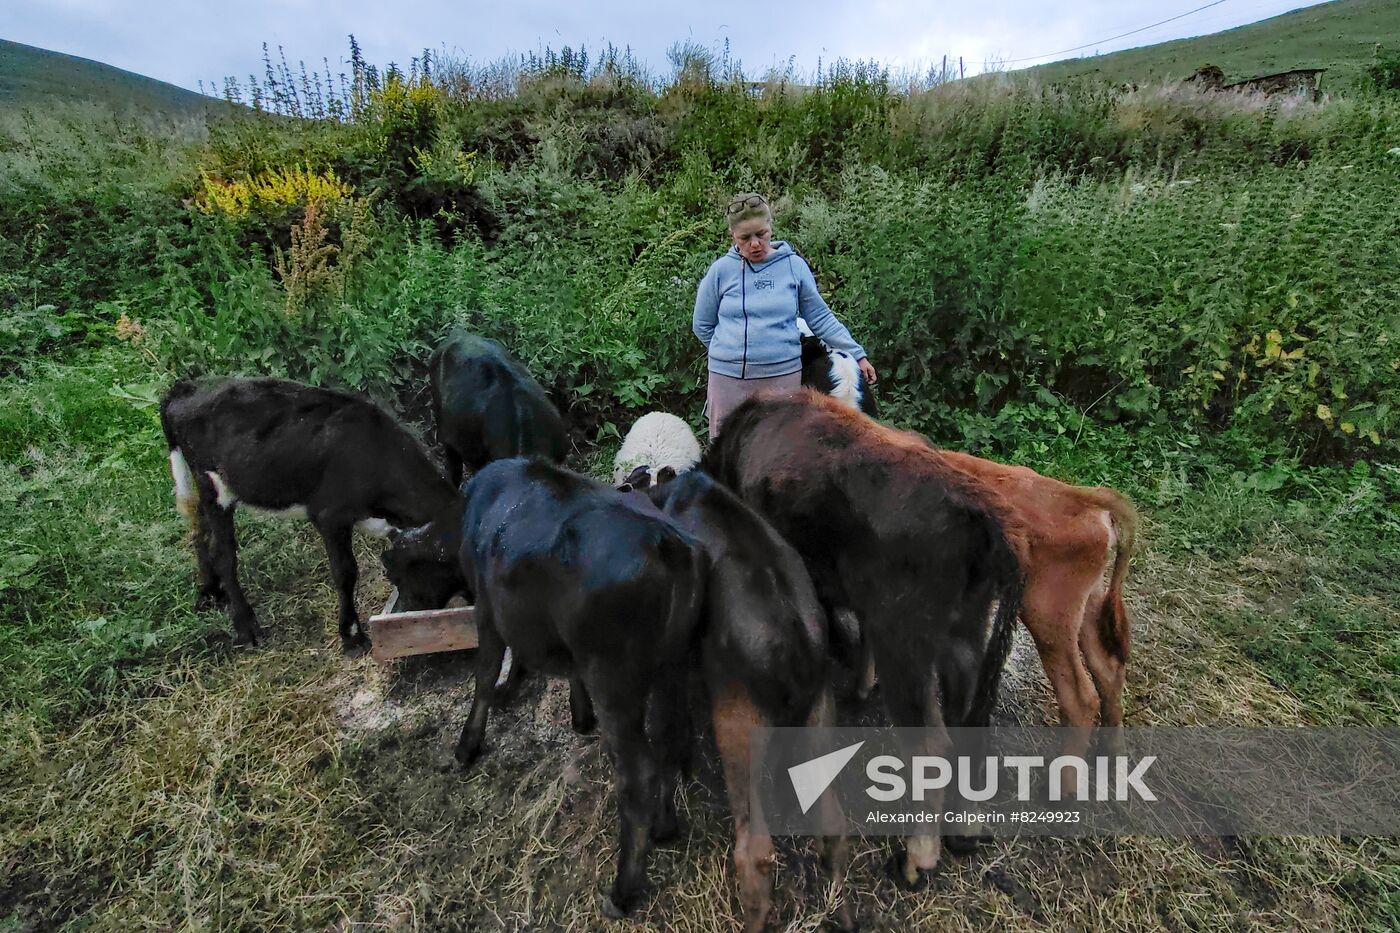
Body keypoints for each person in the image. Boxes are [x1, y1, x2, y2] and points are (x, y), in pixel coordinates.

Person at [693, 192, 878, 439]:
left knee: (779, 449)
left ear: (771, 227)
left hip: (782, 378)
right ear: (732, 236)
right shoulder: (720, 272)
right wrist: (729, 353)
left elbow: (820, 317)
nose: (755, 244)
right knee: (727, 450)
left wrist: (858, 354)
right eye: (745, 238)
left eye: (761, 234)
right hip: (729, 381)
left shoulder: (793, 266)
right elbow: (702, 324)